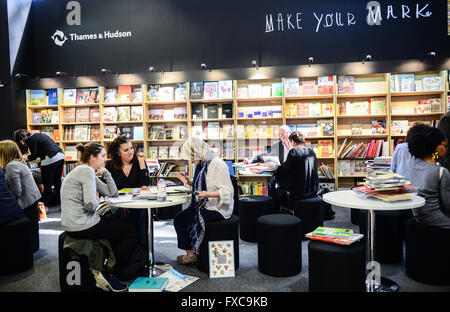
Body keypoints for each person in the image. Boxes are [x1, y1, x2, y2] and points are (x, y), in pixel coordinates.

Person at [60, 142, 139, 291]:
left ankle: (105, 264)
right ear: (92, 157)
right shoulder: (86, 171)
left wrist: (106, 173)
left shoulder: (84, 171)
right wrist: (97, 199)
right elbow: (90, 204)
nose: (104, 160)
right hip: (83, 224)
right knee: (131, 232)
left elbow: (112, 193)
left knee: (115, 226)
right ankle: (108, 270)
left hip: (74, 223)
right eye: (102, 156)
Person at [173, 137, 234, 264]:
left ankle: (196, 253)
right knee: (179, 218)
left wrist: (208, 194)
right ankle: (190, 253)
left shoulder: (218, 164)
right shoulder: (202, 164)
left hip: (217, 207)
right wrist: (188, 182)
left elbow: (228, 191)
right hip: (203, 203)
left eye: (192, 155)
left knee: (195, 218)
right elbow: (201, 185)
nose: (192, 159)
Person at [105, 135, 150, 247]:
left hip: (137, 202)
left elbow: (144, 185)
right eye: (126, 150)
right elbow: (107, 188)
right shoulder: (110, 166)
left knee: (142, 214)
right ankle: (122, 250)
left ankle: (142, 250)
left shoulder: (139, 162)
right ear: (118, 153)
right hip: (118, 203)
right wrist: (121, 203)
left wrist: (141, 164)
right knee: (117, 216)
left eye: (131, 148)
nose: (131, 152)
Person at [408, 124, 450, 229]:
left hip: (418, 216)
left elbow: (433, 156)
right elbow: (448, 205)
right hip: (435, 219)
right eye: (445, 146)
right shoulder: (442, 172)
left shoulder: (415, 163)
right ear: (436, 147)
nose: (446, 149)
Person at [14, 129, 64, 209]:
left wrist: (25, 158)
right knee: (57, 182)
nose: (22, 144)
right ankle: (61, 203)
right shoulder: (38, 135)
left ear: (22, 139)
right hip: (60, 155)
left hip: (50, 158)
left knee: (47, 184)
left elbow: (34, 155)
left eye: (21, 142)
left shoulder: (30, 140)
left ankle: (46, 206)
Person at [271, 131, 320, 211]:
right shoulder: (311, 151)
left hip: (299, 191)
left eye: (289, 142)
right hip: (313, 190)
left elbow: (285, 168)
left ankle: (278, 210)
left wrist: (276, 168)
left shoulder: (293, 152)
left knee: (276, 185)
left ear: (292, 142)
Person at [0, 140, 42, 225]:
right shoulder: (18, 163)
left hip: (26, 204)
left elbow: (17, 192)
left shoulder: (11, 166)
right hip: (32, 201)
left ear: (4, 153)